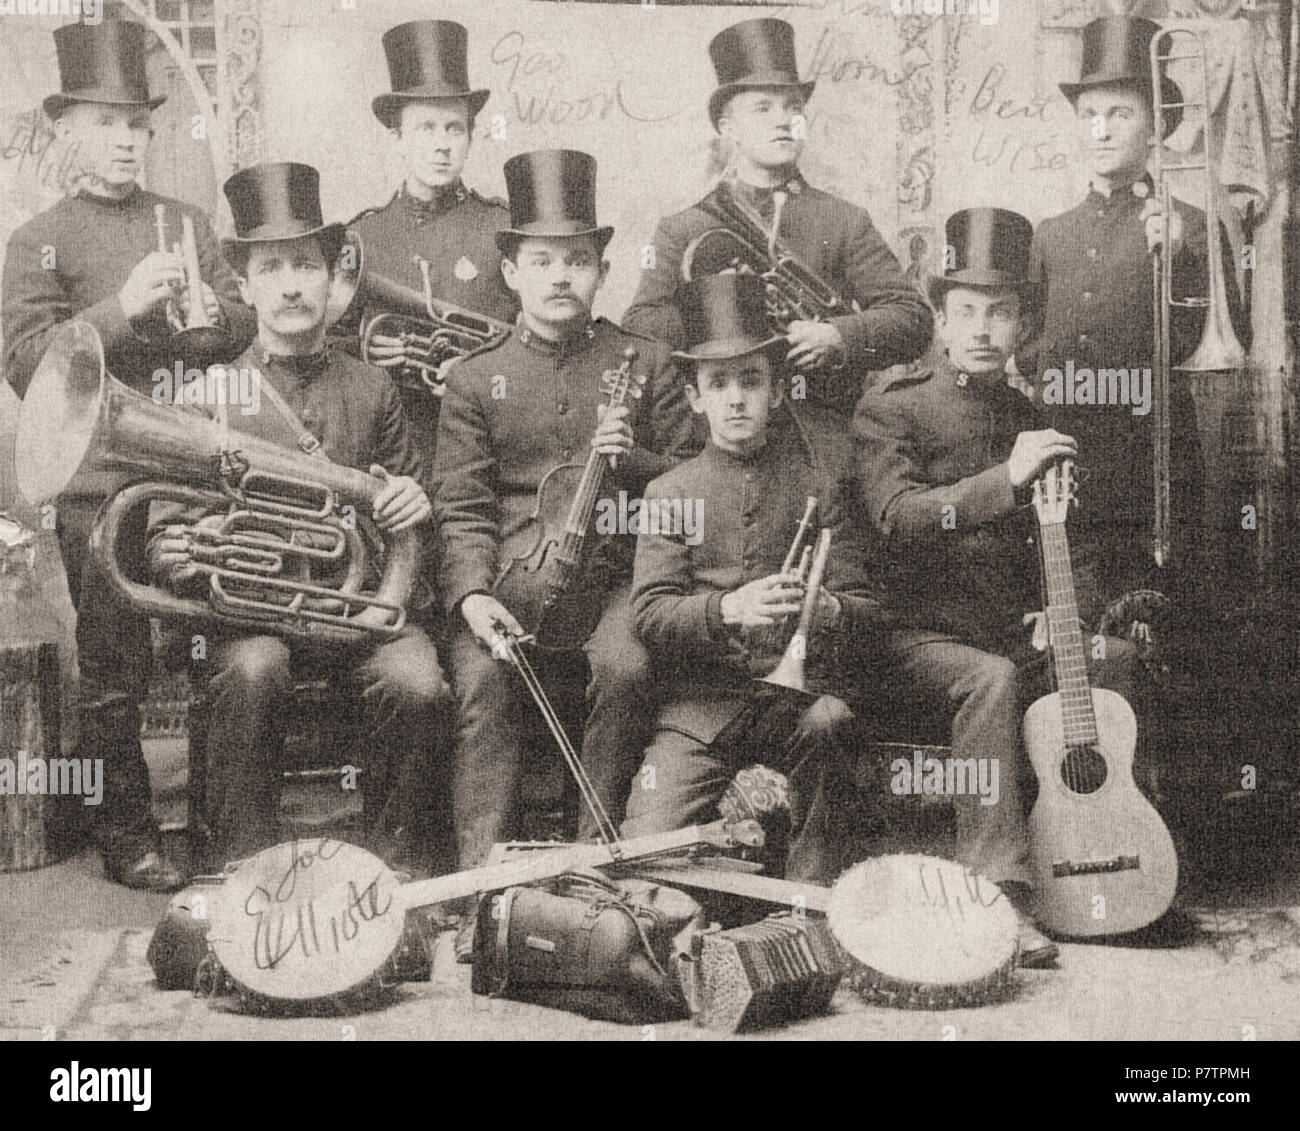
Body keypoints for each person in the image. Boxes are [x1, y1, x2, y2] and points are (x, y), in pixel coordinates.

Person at [1, 21, 256, 891]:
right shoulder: (38, 238)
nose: (123, 141)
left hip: (188, 466)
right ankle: (128, 833)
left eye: (136, 125)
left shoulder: (184, 220)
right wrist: (119, 308)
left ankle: (220, 828)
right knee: (113, 667)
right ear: (67, 129)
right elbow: (29, 362)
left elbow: (241, 321)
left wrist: (210, 317)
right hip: (97, 480)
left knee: (220, 642)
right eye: (105, 124)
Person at [855, 207, 1144, 966]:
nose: (984, 328)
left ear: (1022, 323)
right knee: (994, 678)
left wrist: (1065, 611)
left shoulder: (1026, 414)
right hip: (918, 638)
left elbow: (1064, 532)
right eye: (967, 311)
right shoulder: (893, 405)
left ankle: (1114, 861)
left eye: (1002, 312)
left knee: (1113, 662)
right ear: (942, 319)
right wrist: (1004, 478)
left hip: (1012, 629)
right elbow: (897, 519)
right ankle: (1004, 897)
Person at [144, 162, 451, 869]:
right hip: (253, 625)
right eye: (272, 267)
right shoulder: (211, 394)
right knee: (253, 669)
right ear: (245, 285)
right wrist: (186, 550)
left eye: (306, 265)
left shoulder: (374, 389)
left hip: (364, 618)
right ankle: (245, 868)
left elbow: (418, 530)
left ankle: (397, 868)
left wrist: (413, 503)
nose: (290, 284)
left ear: (332, 277)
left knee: (417, 680)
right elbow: (162, 537)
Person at [434, 150, 697, 889]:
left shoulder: (644, 362)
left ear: (601, 271)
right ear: (511, 270)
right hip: (505, 587)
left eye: (577, 260)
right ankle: (480, 881)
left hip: (618, 582)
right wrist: (473, 596)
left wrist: (637, 460)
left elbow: (695, 485)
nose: (560, 277)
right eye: (541, 259)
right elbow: (463, 504)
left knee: (626, 664)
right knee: (482, 684)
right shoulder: (472, 375)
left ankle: (597, 862)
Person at [624, 273, 884, 885]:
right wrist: (727, 609)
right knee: (645, 857)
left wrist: (831, 611)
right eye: (718, 384)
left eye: (751, 381)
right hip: (701, 709)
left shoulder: (820, 484)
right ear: (694, 398)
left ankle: (808, 902)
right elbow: (650, 613)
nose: (736, 399)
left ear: (775, 391)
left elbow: (871, 610)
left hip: (800, 704)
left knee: (833, 723)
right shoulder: (668, 492)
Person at [1023, 15, 1236, 631]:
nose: (1101, 128)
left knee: (1154, 632)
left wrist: (1182, 259)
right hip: (1067, 463)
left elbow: (1218, 339)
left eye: (1119, 113)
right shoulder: (1050, 234)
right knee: (1070, 623)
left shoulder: (1193, 224)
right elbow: (1032, 343)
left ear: (1154, 126)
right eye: (1090, 114)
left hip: (1156, 463)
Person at [622, 17, 932, 420]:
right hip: (717, 433)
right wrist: (733, 316)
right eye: (763, 108)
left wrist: (839, 335)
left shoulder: (844, 220)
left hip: (821, 427)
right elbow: (641, 323)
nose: (783, 120)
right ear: (728, 127)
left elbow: (914, 319)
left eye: (793, 107)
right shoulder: (682, 227)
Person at [341, 19, 517, 464]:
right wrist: (367, 352)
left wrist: (480, 374)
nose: (443, 145)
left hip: (488, 446)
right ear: (397, 139)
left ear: (471, 137)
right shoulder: (362, 235)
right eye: (426, 128)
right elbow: (328, 347)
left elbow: (538, 345)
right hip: (388, 455)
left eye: (454, 129)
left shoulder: (503, 229)